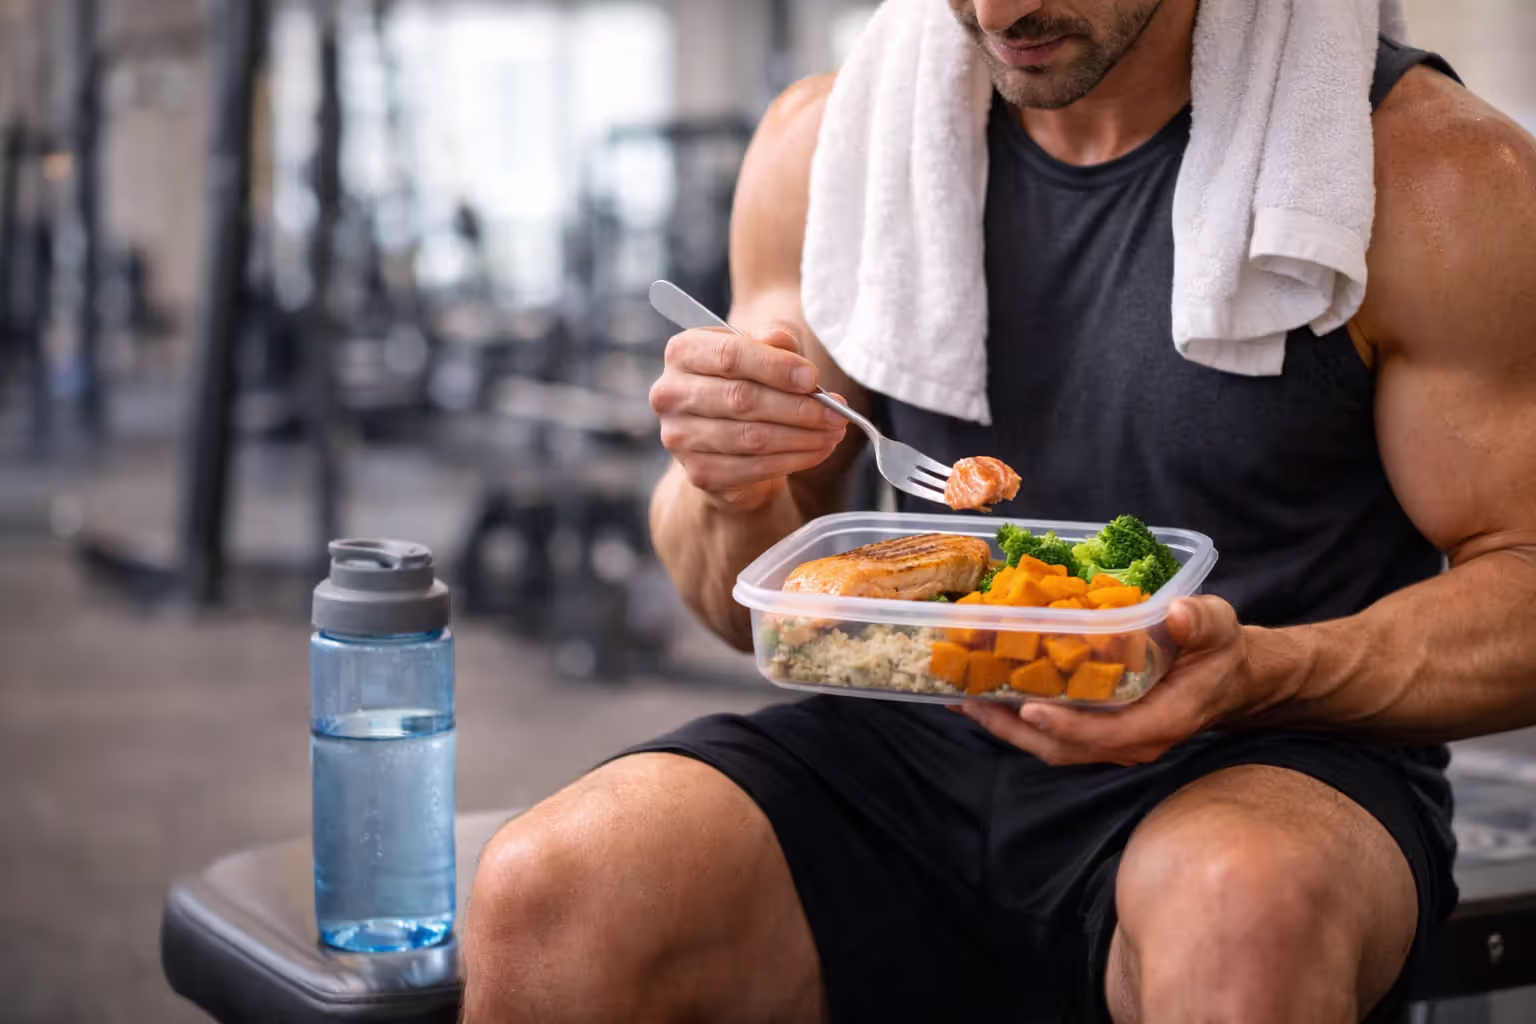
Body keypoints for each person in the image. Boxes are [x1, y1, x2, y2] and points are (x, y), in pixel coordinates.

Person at [462, 1, 1536, 1020]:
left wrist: (1261, 671)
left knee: (1242, 910)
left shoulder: (1431, 176)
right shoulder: (830, 150)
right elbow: (743, 607)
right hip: (914, 744)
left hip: (1267, 755)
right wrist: (734, 486)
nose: (998, 9)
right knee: (550, 893)